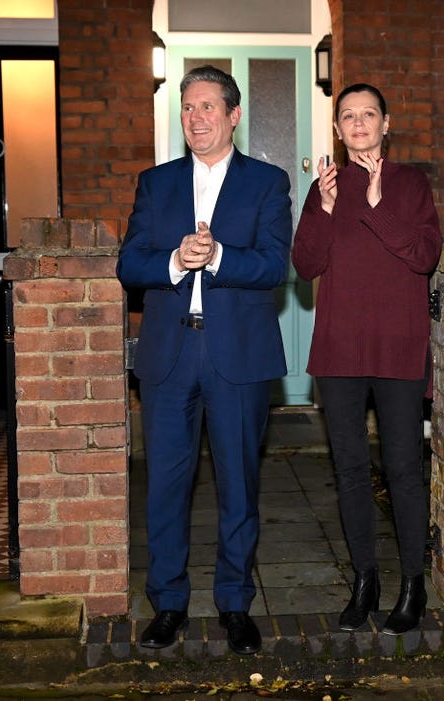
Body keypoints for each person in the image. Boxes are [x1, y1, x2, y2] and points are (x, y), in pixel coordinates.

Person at [116, 65, 292, 655]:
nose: (196, 118)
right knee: (165, 485)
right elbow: (129, 264)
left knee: (238, 484)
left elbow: (273, 266)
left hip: (237, 357)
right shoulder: (156, 183)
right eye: (188, 108)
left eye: (207, 107)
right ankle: (167, 604)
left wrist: (216, 256)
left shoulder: (267, 183)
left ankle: (235, 603)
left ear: (233, 115)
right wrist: (173, 259)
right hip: (169, 355)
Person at [291, 83, 442, 635]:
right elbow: (305, 265)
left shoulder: (410, 184)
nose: (358, 123)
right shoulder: (325, 188)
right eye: (347, 116)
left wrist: (379, 209)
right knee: (350, 471)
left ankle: (412, 583)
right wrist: (328, 209)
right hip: (339, 350)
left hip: (398, 348)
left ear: (386, 123)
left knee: (403, 469)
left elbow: (425, 256)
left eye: (368, 114)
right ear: (337, 128)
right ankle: (364, 581)